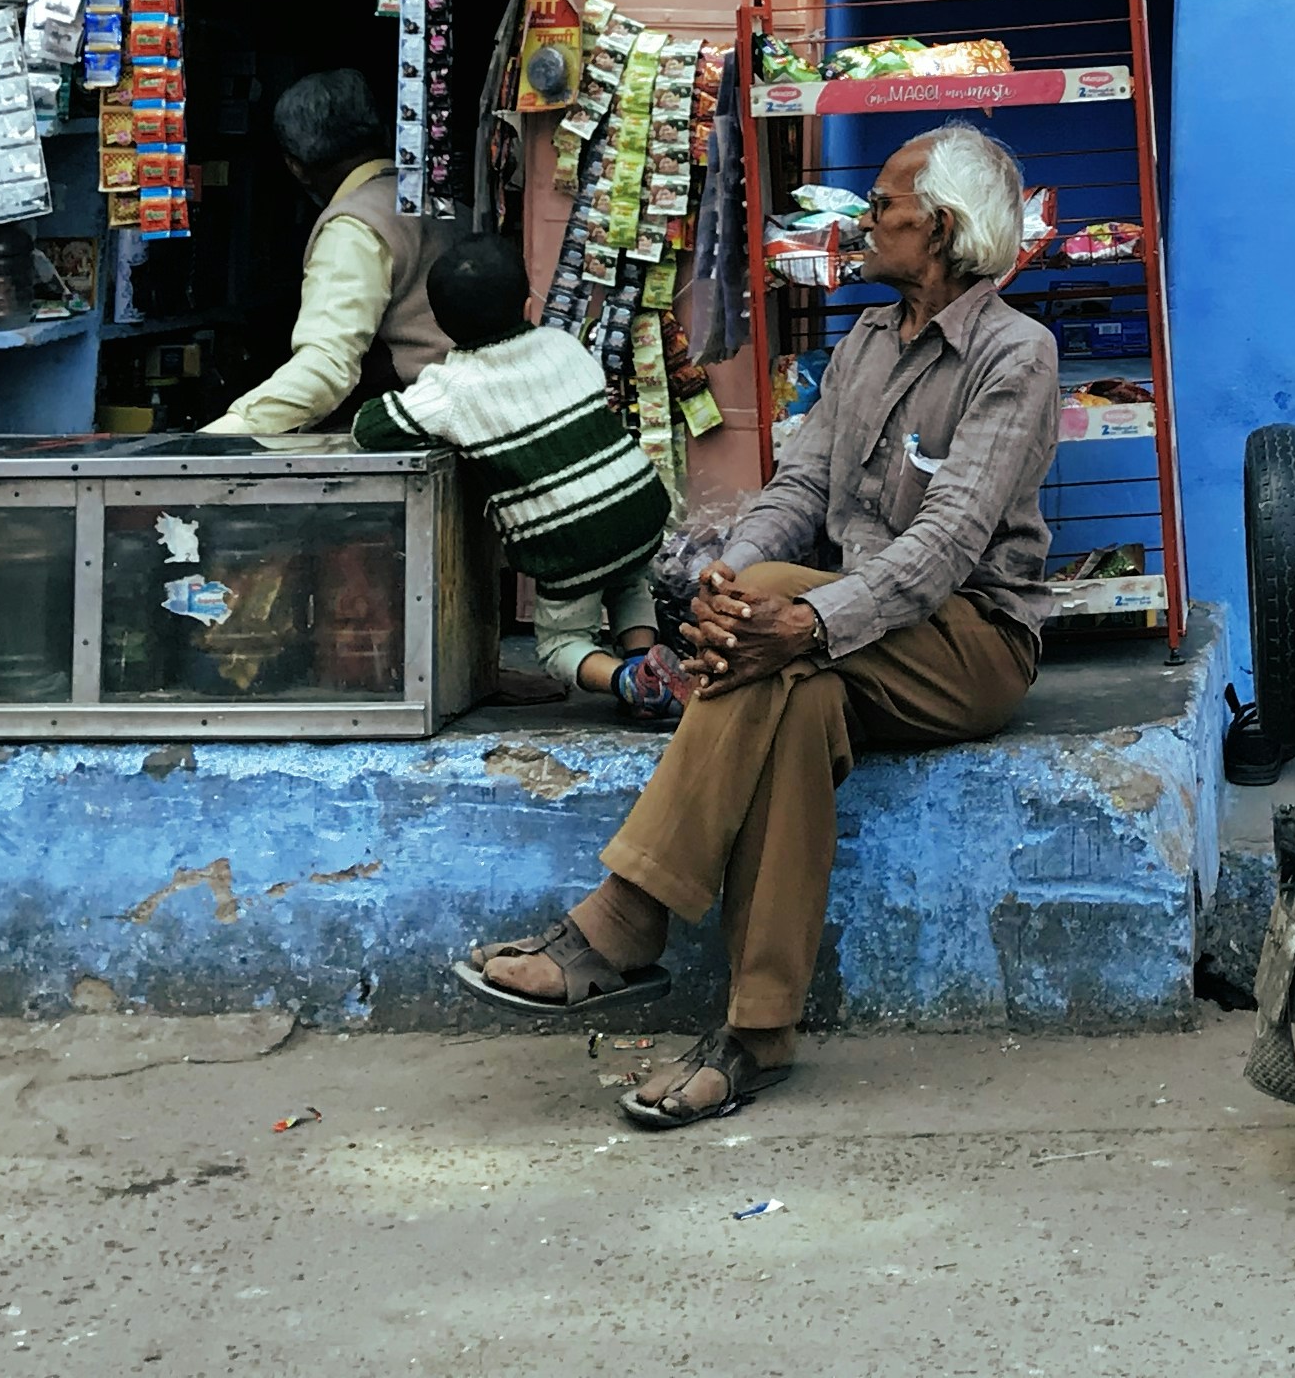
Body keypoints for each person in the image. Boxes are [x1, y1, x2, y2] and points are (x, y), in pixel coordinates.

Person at [467, 123, 1057, 1125]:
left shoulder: (1016, 355)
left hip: (970, 644)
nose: (863, 222)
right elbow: (800, 489)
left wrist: (804, 617)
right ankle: (756, 1035)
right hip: (850, 640)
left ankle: (624, 921)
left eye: (882, 206)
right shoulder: (866, 343)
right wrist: (726, 578)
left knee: (785, 622)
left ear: (940, 228)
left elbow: (945, 546)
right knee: (795, 700)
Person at [349, 233, 678, 715]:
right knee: (628, 580)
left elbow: (370, 428)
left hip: (571, 543)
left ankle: (630, 682)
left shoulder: (452, 387)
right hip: (639, 505)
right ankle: (645, 662)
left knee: (561, 643)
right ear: (527, 304)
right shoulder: (564, 345)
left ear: (440, 325)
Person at [216, 71, 444, 437]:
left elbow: (324, 368)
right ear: (386, 132)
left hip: (414, 428)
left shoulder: (353, 228)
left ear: (295, 166)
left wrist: (217, 439)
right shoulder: (442, 204)